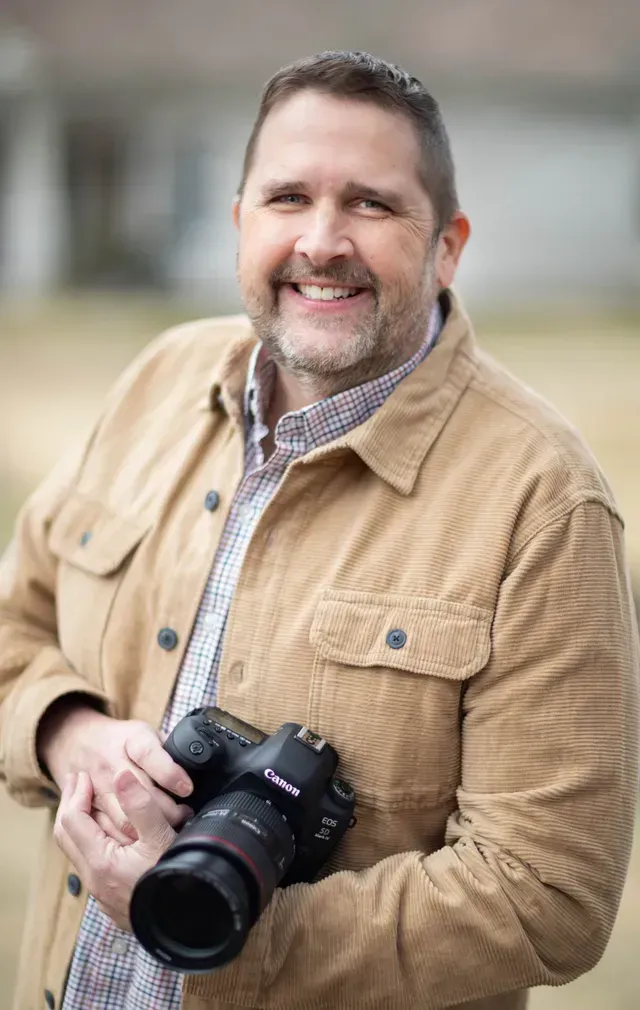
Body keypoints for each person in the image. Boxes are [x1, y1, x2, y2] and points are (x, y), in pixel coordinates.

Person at [0, 50, 638, 1010]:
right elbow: (19, 623)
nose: (322, 241)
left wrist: (225, 930)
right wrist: (68, 730)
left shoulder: (542, 501)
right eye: (287, 198)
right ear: (240, 222)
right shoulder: (158, 381)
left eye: (372, 205)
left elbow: (548, 895)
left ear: (448, 244)